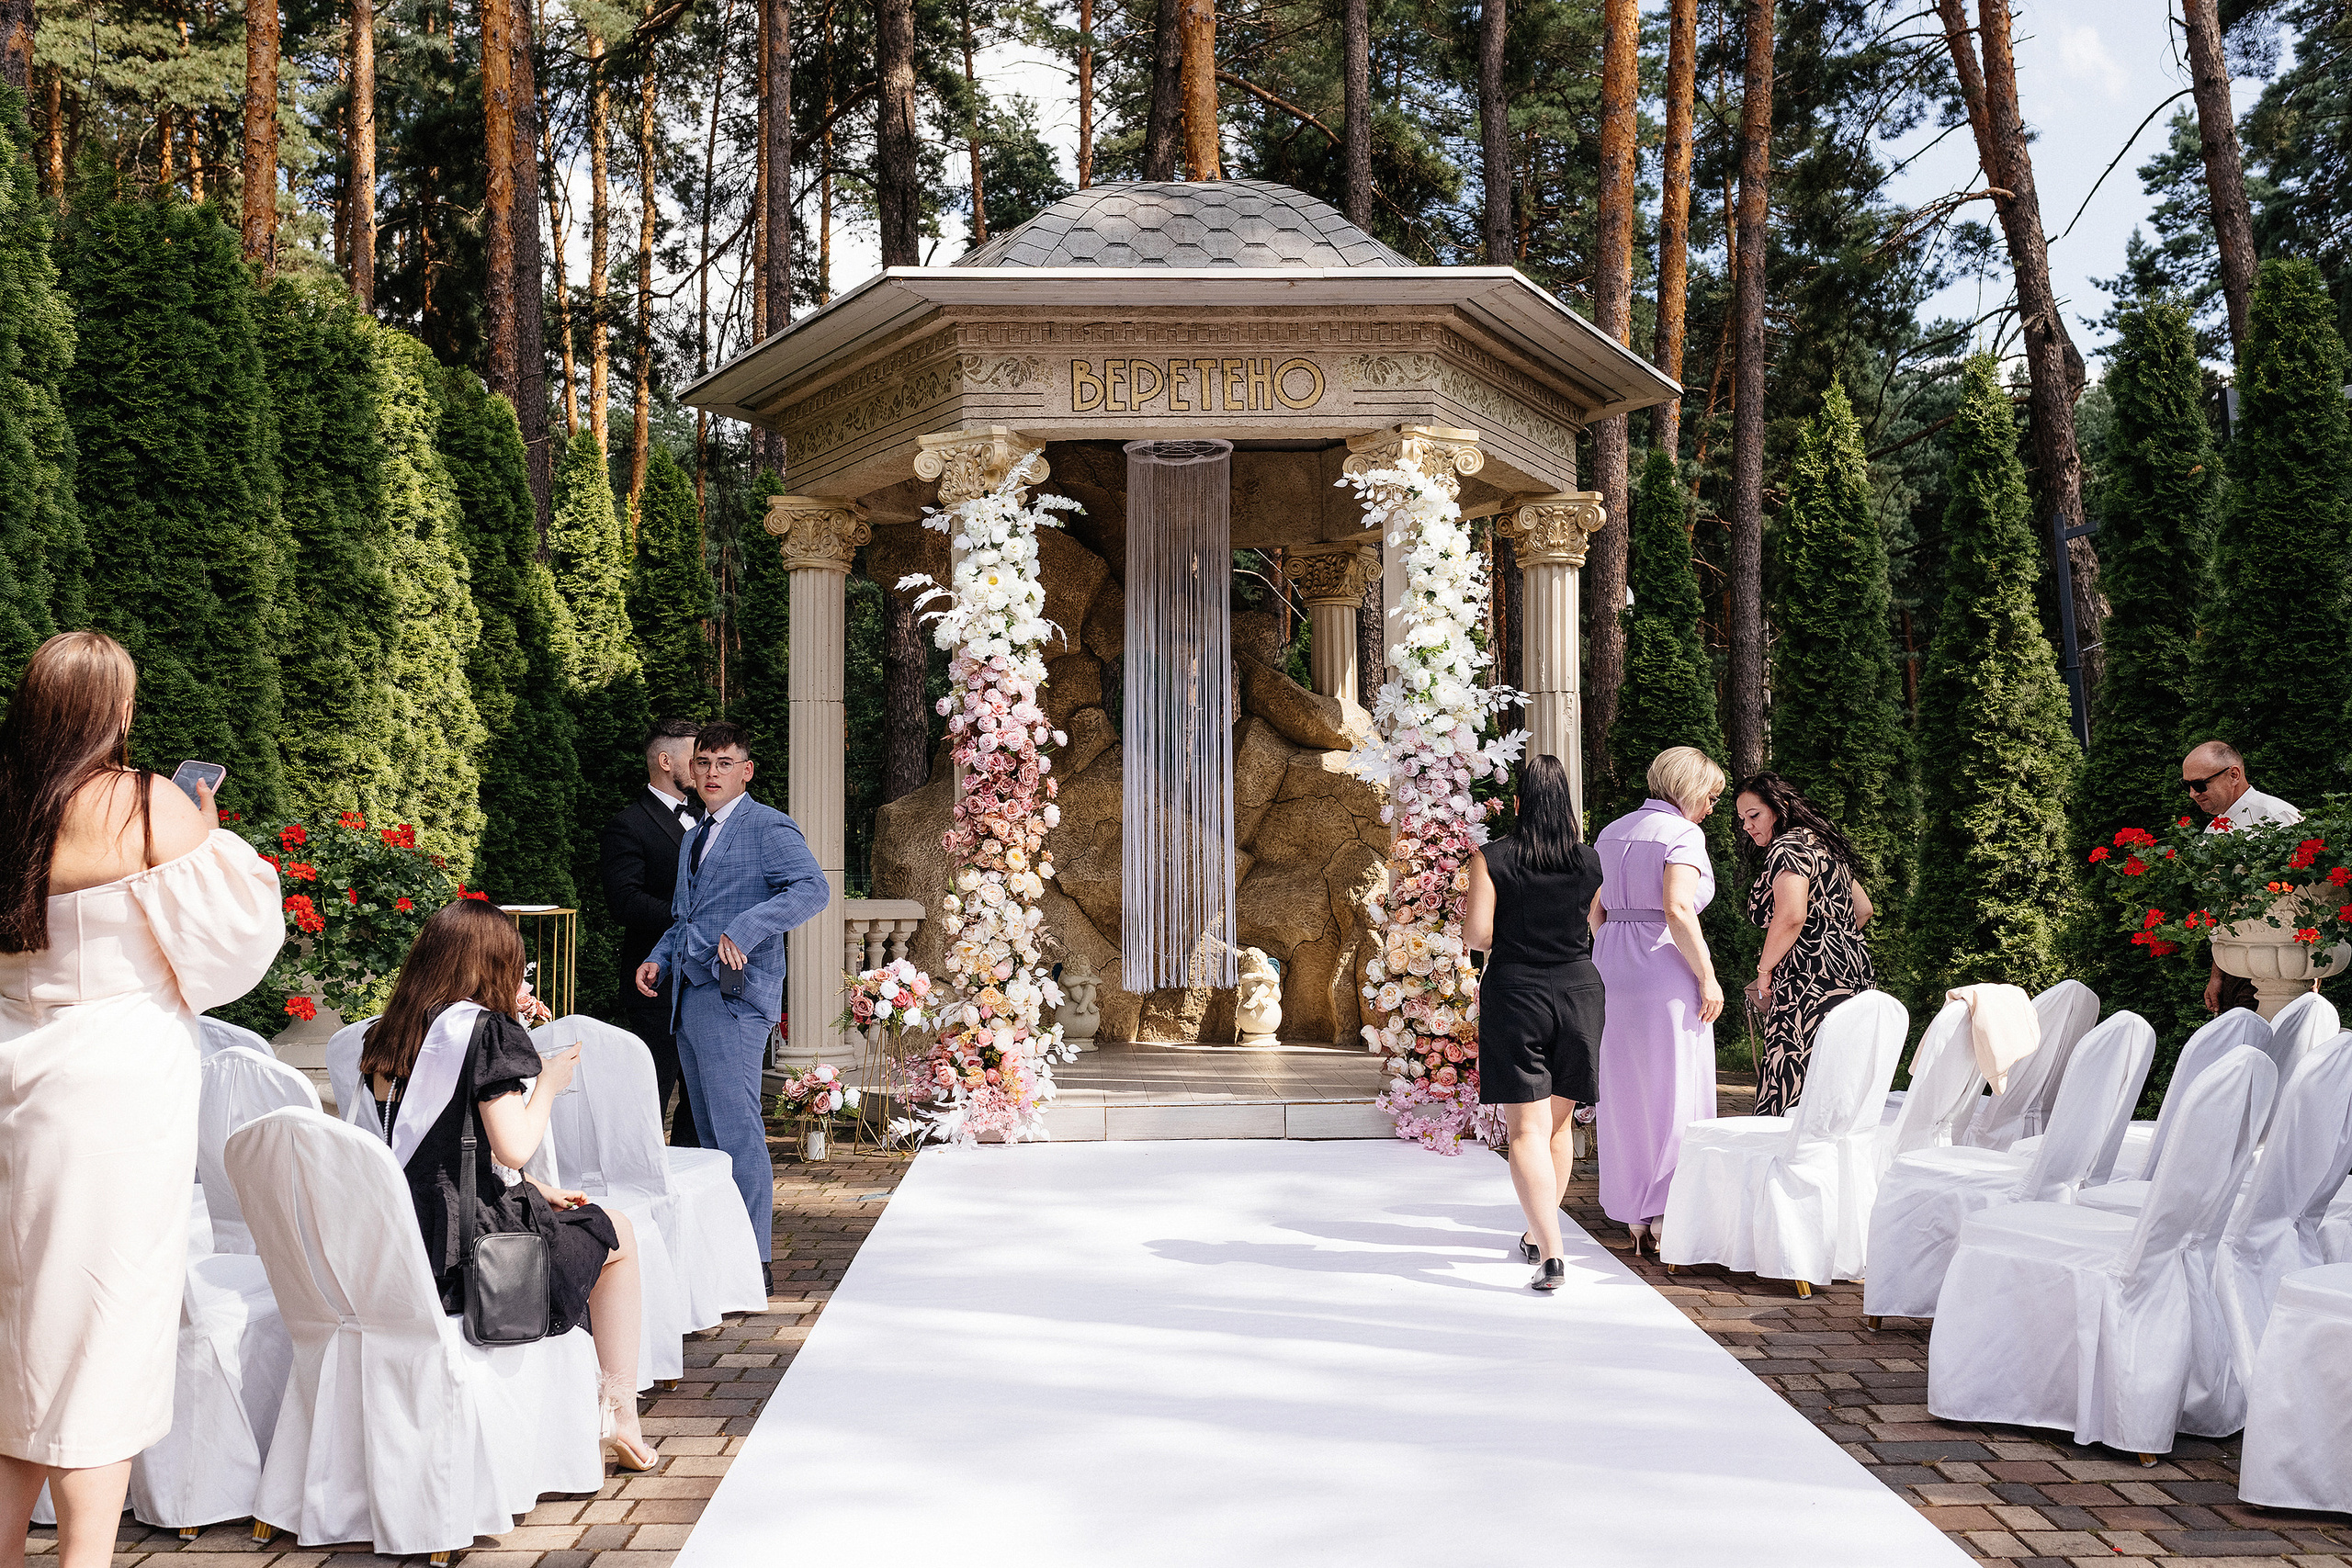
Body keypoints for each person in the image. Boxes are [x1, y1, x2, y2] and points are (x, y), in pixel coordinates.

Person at [0, 632, 282, 1566]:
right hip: (114, 1093)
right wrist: (202, 823)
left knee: (14, 1335)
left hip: (13, 1074)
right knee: (103, 1333)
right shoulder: (144, 803)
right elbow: (237, 946)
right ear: (116, 710)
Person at [357, 898, 656, 1472]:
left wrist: (534, 1186)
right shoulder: (487, 1033)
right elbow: (512, 1145)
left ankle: (609, 1411)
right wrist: (547, 1081)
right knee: (616, 1232)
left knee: (577, 1218)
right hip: (466, 1250)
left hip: (400, 1234)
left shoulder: (386, 1033)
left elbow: (436, 1143)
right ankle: (621, 1414)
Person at [636, 722, 828, 1296]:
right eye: (704, 764)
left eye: (725, 763)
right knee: (707, 1134)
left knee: (737, 1131)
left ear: (747, 771)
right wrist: (658, 957)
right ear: (690, 773)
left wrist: (748, 928)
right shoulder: (696, 836)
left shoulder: (768, 826)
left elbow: (811, 889)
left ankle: (754, 1259)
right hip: (689, 996)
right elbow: (685, 918)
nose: (712, 772)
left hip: (736, 999)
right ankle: (721, 1256)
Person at [1463, 755, 1606, 1292]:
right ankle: (1535, 1233)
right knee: (1558, 1125)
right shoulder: (1589, 861)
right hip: (1579, 993)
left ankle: (1552, 1253)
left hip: (1518, 992)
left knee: (1525, 1128)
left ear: (1518, 804)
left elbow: (1477, 935)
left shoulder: (1493, 858)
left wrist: (1517, 932)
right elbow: (1594, 923)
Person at [1591, 746, 1727, 1257]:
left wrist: (1608, 949)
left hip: (1613, 963)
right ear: (1690, 789)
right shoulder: (1683, 834)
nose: (1712, 808)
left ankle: (1633, 1212)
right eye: (1710, 797)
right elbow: (1676, 908)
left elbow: (1597, 909)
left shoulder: (1613, 829)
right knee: (1677, 1085)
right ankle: (1670, 1210)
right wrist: (1707, 976)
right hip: (1661, 965)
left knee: (1624, 1088)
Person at [1734, 772, 1876, 1118]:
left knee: (1793, 1078)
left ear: (1779, 807)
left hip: (1808, 983)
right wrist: (1830, 939)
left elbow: (1791, 916)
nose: (1748, 827)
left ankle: (1787, 1167)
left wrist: (1766, 969)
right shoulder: (1822, 844)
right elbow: (1864, 909)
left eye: (1755, 815)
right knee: (1838, 1082)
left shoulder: (1787, 848)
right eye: (1742, 820)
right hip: (1853, 970)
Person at [600, 717, 705, 1147]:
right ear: (665, 761)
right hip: (655, 981)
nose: (702, 769)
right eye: (694, 758)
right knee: (653, 1088)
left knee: (700, 1099)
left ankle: (691, 1175)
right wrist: (689, 918)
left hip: (705, 978)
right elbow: (625, 902)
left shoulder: (710, 817)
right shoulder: (628, 824)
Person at [2183, 740, 2301, 1014]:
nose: (2192, 794)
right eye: (2186, 785)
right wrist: (2217, 975)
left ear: (2233, 775)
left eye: (2200, 784)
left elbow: (2305, 899)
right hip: (2234, 964)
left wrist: (2310, 970)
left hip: (2280, 966)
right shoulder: (2214, 831)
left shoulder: (2275, 816)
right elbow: (2221, 910)